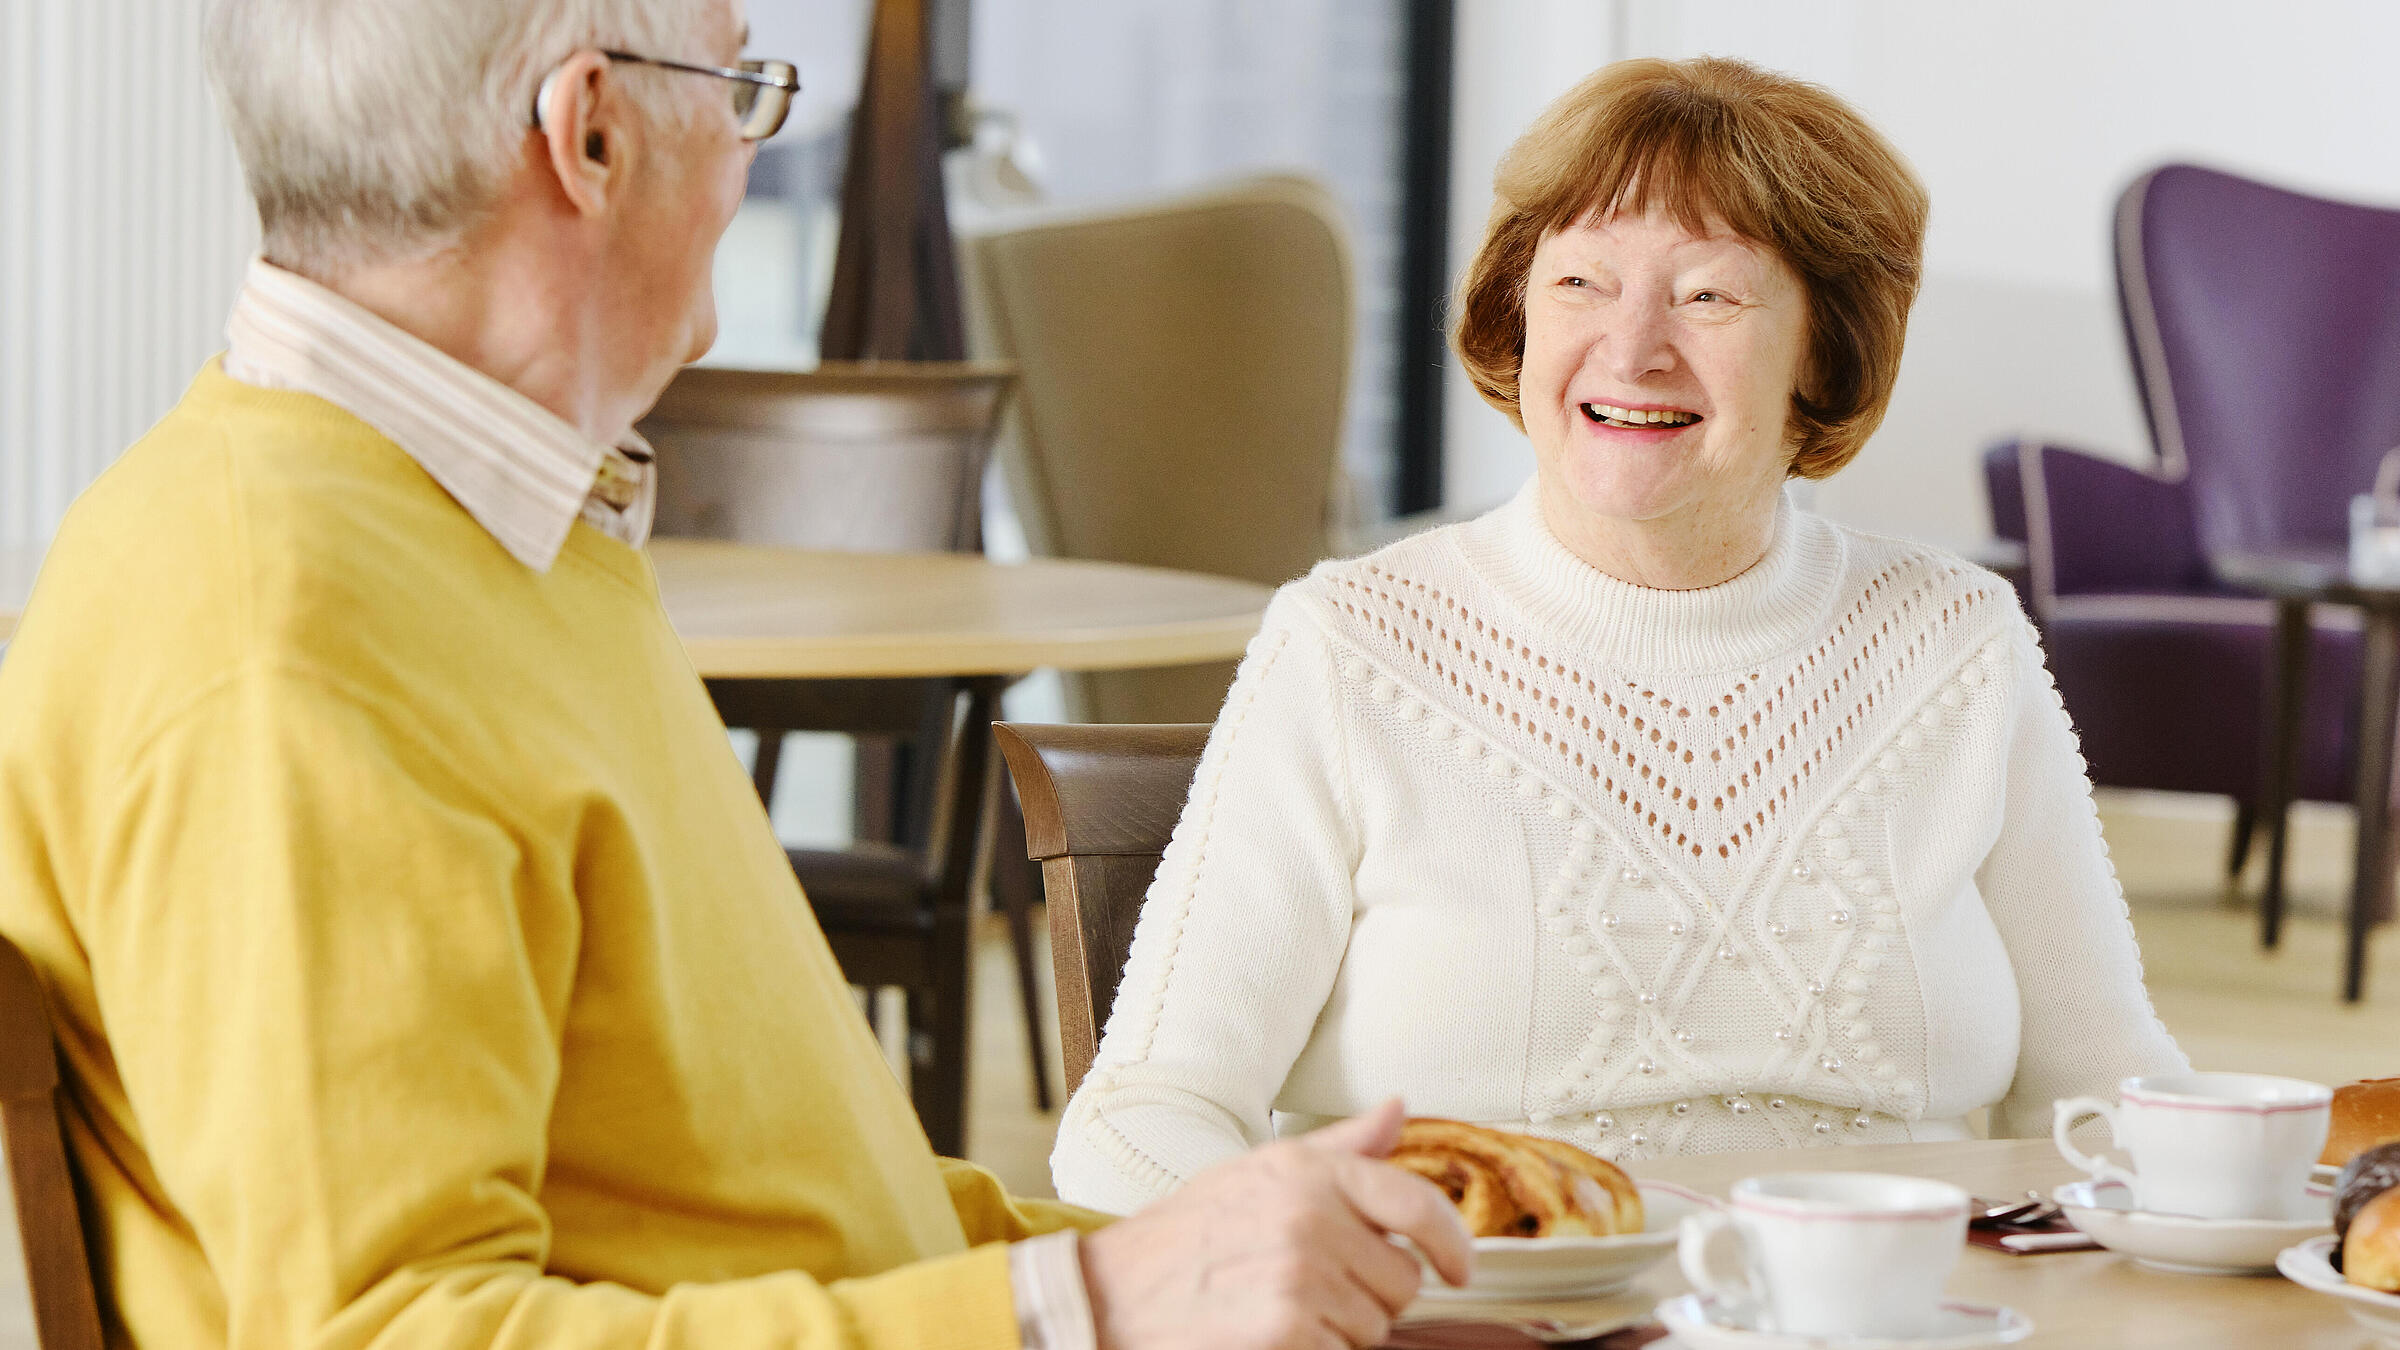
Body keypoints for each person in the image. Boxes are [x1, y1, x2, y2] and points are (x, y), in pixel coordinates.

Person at [0, 1, 1473, 1346]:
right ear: (592, 135)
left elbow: (778, 1194)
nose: (750, 153)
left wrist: (1223, 1269)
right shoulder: (289, 637)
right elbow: (390, 1328)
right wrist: (1080, 1302)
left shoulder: (477, 536)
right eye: (743, 87)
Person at [1052, 55, 2188, 1215]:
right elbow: (1142, 1119)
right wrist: (1338, 1266)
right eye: (1582, 283)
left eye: (1709, 296)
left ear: (1825, 350)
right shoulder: (1353, 646)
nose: (1633, 346)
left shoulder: (1953, 639)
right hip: (1481, 1318)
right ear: (1518, 316)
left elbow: (2102, 1090)